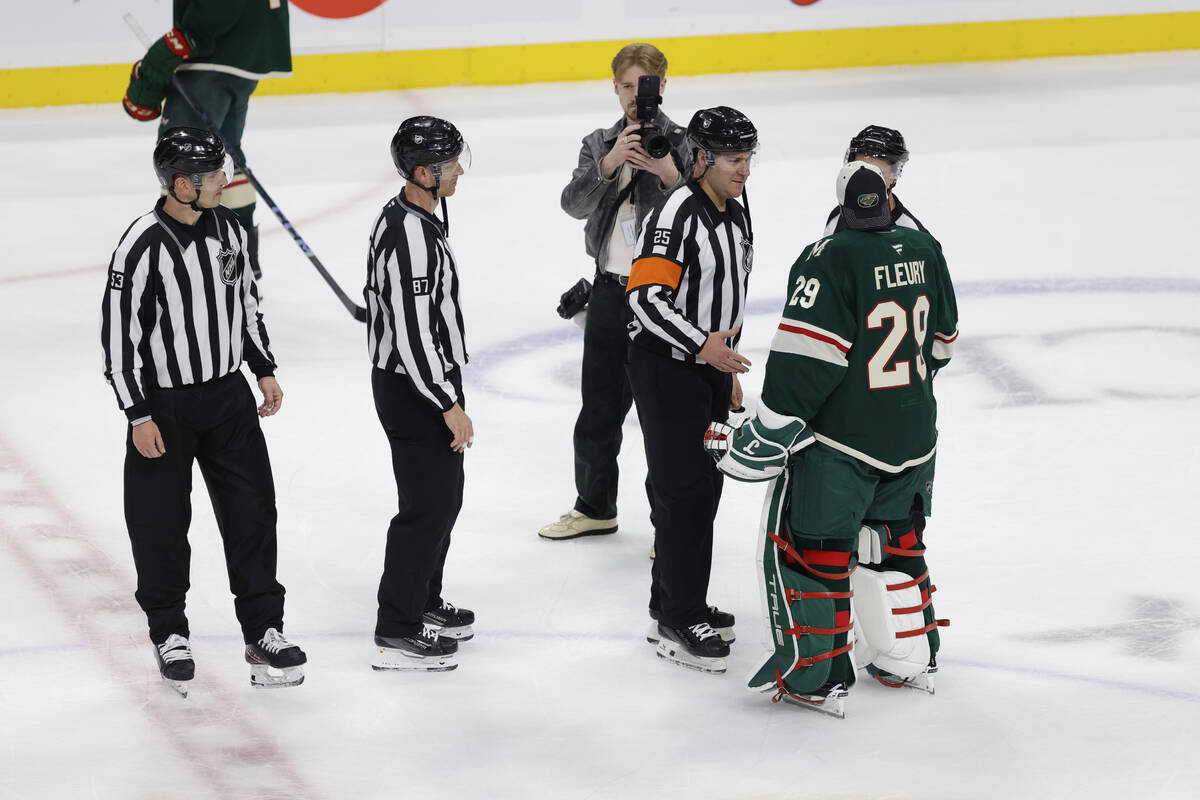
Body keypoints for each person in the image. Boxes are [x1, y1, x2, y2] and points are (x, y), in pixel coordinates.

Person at [708, 161, 957, 716]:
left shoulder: (829, 257)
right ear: (891, 202)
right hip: (915, 437)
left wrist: (766, 431)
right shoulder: (926, 249)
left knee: (813, 556)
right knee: (895, 545)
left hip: (842, 447)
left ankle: (814, 678)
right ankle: (909, 659)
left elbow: (805, 365)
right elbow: (942, 345)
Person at [101, 127, 307, 697]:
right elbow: (118, 341)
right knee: (161, 523)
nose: (224, 182)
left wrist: (262, 368)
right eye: (214, 176)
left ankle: (263, 626)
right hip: (163, 409)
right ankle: (169, 633)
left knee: (252, 513)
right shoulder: (140, 244)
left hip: (227, 400)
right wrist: (137, 415)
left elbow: (247, 306)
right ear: (181, 184)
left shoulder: (229, 230)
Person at [538, 42, 693, 541]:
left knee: (660, 420)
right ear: (615, 87)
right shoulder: (598, 142)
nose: (634, 96)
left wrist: (668, 173)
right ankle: (594, 506)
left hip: (662, 297)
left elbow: (704, 215)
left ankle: (666, 526)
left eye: (642, 86)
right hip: (609, 291)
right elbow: (571, 206)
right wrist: (608, 165)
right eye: (625, 86)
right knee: (598, 410)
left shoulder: (685, 142)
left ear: (662, 86)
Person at [624, 106, 758, 674]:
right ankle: (677, 618)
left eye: (749, 158)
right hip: (666, 369)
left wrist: (721, 369)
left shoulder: (737, 208)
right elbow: (644, 301)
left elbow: (733, 291)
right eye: (733, 159)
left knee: (706, 486)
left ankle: (680, 599)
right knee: (686, 493)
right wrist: (705, 348)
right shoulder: (676, 214)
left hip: (706, 370)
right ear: (700, 158)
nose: (744, 170)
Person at [366, 116, 476, 673]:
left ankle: (424, 600)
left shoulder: (418, 215)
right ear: (421, 172)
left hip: (426, 381)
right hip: (415, 388)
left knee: (444, 499)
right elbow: (411, 336)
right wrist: (447, 403)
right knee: (425, 506)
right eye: (449, 163)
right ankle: (399, 625)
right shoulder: (408, 234)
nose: (459, 170)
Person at [122, 0, 292, 279]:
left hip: (212, 52)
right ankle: (241, 256)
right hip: (244, 56)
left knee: (182, 157)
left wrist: (189, 34)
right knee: (226, 156)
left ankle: (182, 258)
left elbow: (214, 11)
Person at [824, 125, 929, 236]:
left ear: (893, 177)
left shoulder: (914, 234)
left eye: (877, 173)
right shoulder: (838, 216)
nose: (864, 179)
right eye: (857, 168)